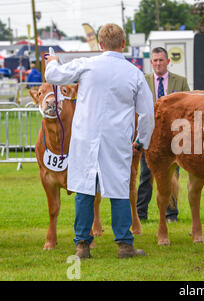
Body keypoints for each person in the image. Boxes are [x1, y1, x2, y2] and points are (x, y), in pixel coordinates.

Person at [45, 23, 154, 259]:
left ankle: (82, 245)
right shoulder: (134, 73)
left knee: (84, 189)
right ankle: (125, 244)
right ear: (123, 44)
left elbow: (52, 75)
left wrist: (52, 59)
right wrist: (141, 140)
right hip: (117, 139)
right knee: (118, 190)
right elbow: (147, 113)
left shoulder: (87, 64)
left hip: (86, 137)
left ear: (100, 45)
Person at [137, 47, 190, 223]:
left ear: (168, 62)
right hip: (150, 136)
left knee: (172, 175)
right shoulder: (143, 81)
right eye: (155, 60)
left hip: (173, 138)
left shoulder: (181, 82)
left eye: (161, 60)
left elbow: (188, 108)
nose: (158, 63)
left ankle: (171, 214)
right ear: (151, 63)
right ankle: (141, 213)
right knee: (146, 175)